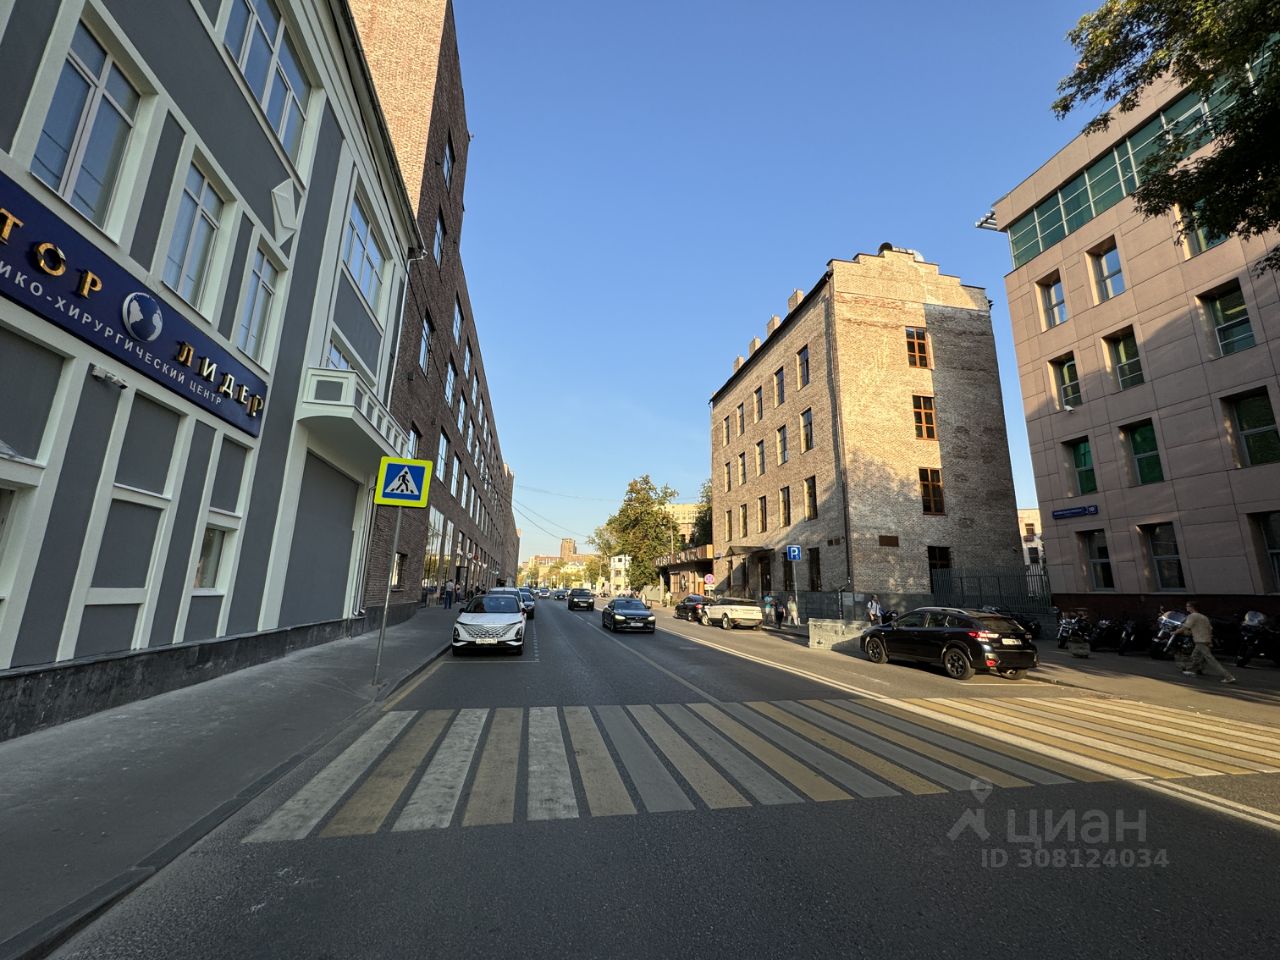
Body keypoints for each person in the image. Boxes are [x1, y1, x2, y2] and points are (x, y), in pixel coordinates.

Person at [1174, 601, 1236, 684]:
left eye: (1187, 606)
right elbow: (1209, 629)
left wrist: (1175, 632)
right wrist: (1209, 641)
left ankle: (1228, 676)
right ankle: (1197, 670)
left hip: (1200, 640)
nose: (1186, 607)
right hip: (1205, 640)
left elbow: (1186, 627)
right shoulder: (1204, 617)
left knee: (1210, 659)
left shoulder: (1192, 616)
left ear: (1192, 607)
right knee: (1195, 655)